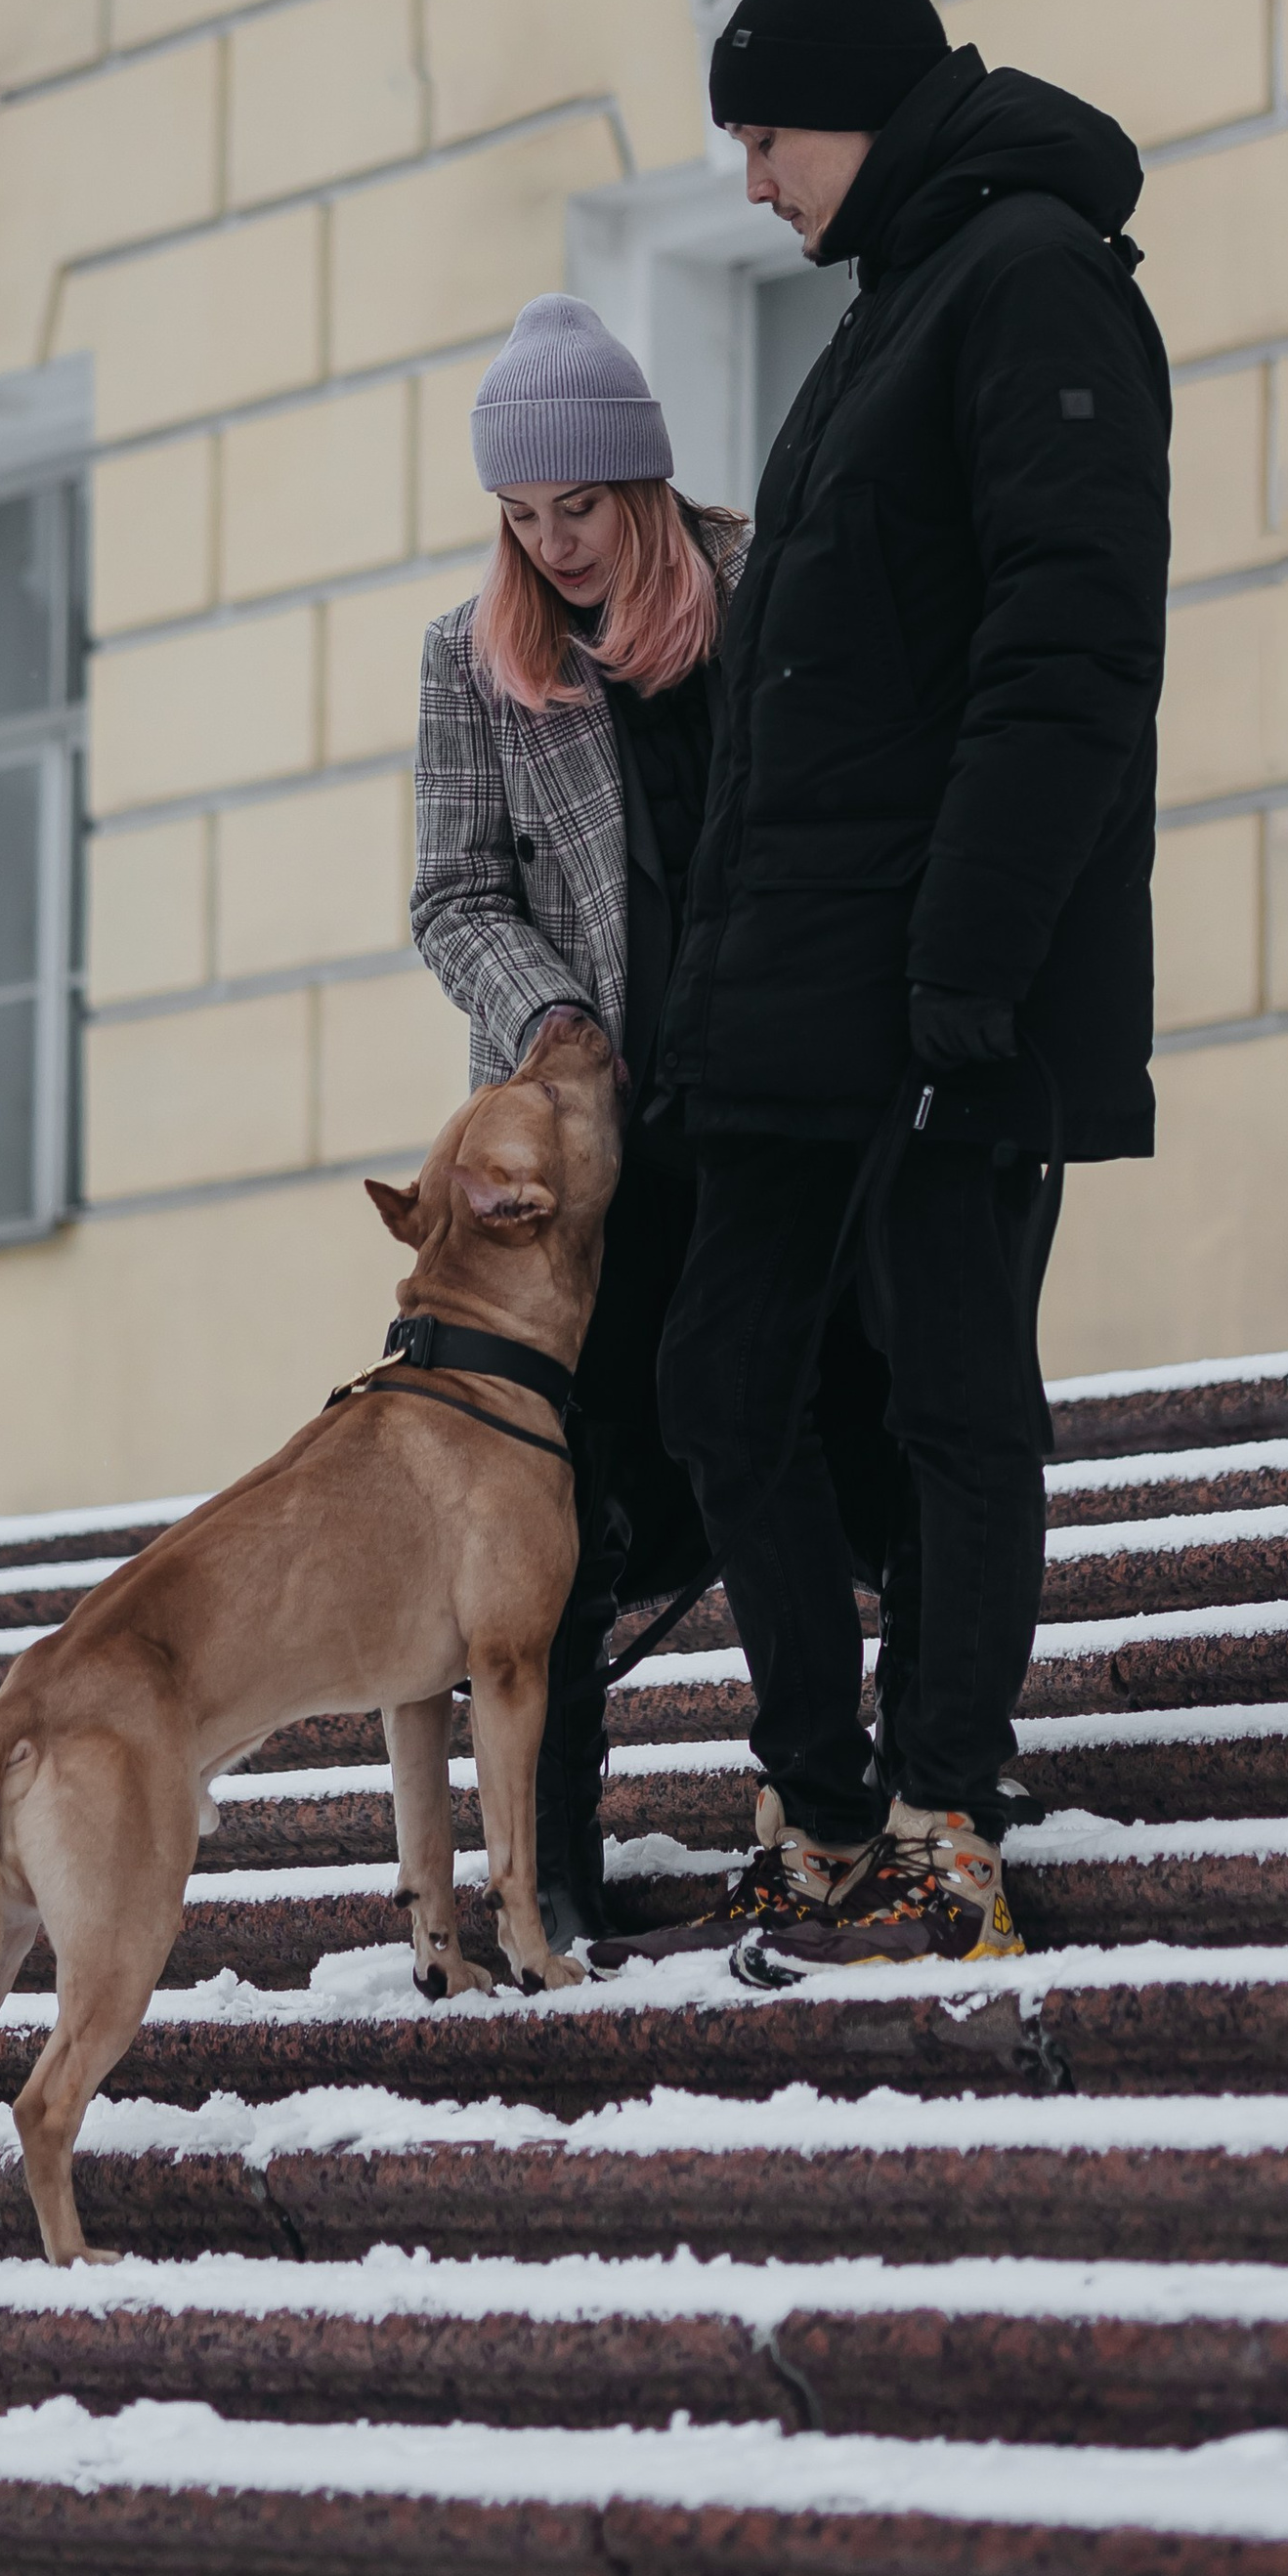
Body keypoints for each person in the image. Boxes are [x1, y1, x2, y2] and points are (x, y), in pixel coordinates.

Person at [602, 0, 1172, 1974]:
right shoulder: (888, 312)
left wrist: (969, 969)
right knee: (718, 1379)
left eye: (765, 136)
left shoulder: (1029, 284)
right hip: (797, 1001)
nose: (751, 178)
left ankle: (941, 1813)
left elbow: (1066, 658)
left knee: (948, 1393)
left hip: (942, 991)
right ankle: (822, 1807)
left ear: (851, 106)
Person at [409, 295, 736, 1946]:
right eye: (520, 516)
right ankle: (554, 1871)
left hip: (754, 1106)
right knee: (565, 1500)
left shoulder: (755, 592)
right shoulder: (473, 657)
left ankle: (836, 1801)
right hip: (591, 1156)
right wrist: (550, 1016)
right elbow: (452, 893)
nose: (552, 546)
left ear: (644, 483)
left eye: (581, 507)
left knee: (791, 1439)